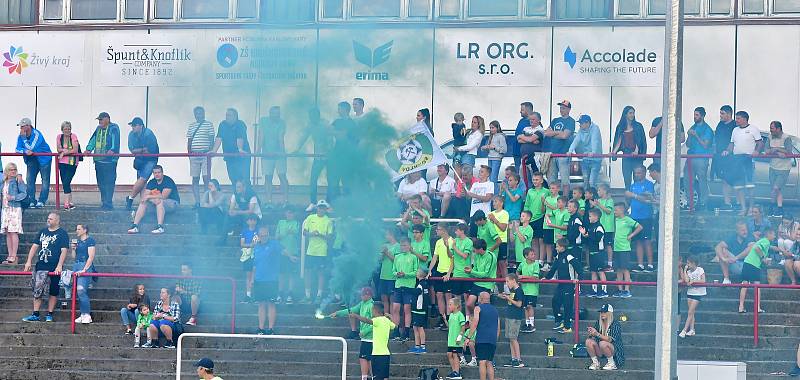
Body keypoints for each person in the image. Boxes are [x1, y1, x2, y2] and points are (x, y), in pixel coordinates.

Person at [21, 213, 68, 323]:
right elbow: (34, 246)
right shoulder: (42, 232)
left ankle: (49, 314)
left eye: (51, 219)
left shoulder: (62, 233)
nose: (48, 220)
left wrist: (60, 265)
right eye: (48, 218)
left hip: (54, 265)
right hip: (41, 265)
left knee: (53, 291)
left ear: (57, 221)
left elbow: (64, 250)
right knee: (38, 289)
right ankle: (35, 314)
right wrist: (28, 261)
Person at [721, 111, 763, 216]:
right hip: (736, 162)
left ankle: (751, 209)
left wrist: (757, 151)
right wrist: (727, 150)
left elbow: (760, 143)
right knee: (739, 186)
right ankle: (743, 208)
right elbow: (731, 144)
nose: (736, 120)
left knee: (750, 186)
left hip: (749, 161)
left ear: (744, 119)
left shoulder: (753, 129)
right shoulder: (735, 130)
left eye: (738, 118)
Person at [330, 287, 374, 380]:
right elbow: (351, 310)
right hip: (365, 338)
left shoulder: (372, 305)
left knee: (370, 359)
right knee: (363, 358)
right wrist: (338, 313)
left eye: (363, 294)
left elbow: (375, 323)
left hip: (371, 338)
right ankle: (364, 377)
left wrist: (364, 332)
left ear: (368, 295)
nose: (361, 296)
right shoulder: (362, 304)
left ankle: (374, 377)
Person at [295, 107, 333, 210]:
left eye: (313, 117)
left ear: (318, 116)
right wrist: (297, 149)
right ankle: (313, 202)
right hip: (318, 157)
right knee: (313, 179)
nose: (311, 119)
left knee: (331, 179)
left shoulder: (325, 124)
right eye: (310, 117)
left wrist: (328, 152)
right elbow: (304, 136)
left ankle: (329, 202)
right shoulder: (310, 125)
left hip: (328, 157)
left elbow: (330, 139)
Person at [127, 165, 179, 235]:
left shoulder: (168, 180)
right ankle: (135, 226)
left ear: (162, 173)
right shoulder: (151, 182)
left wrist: (149, 197)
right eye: (155, 173)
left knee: (159, 201)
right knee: (143, 202)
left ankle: (160, 227)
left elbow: (164, 196)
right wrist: (150, 198)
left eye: (159, 172)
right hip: (157, 202)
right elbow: (145, 197)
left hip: (172, 203)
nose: (157, 174)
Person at [351, 302, 395, 380]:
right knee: (385, 377)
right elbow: (394, 326)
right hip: (386, 354)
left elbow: (366, 320)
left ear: (375, 310)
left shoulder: (377, 320)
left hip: (378, 354)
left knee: (377, 377)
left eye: (372, 310)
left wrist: (356, 316)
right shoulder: (387, 321)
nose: (371, 312)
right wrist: (391, 317)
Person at [545, 238, 582, 334]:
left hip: (569, 285)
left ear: (562, 247)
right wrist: (546, 278)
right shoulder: (558, 256)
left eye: (557, 246)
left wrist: (578, 279)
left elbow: (579, 269)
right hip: (561, 284)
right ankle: (559, 320)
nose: (556, 248)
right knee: (555, 301)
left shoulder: (569, 256)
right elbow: (553, 269)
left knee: (567, 306)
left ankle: (567, 327)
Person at [86, 112, 121, 210]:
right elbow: (93, 139)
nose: (99, 122)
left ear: (107, 119)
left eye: (101, 120)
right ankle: (104, 202)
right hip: (98, 160)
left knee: (109, 182)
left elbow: (116, 140)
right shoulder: (98, 128)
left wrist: (113, 149)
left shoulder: (114, 127)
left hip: (110, 161)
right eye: (99, 120)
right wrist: (88, 149)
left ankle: (108, 203)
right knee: (101, 183)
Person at [15, 117, 52, 208]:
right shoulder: (21, 136)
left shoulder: (37, 134)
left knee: (45, 180)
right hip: (32, 159)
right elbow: (17, 149)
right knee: (29, 179)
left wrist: (24, 140)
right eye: (20, 126)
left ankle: (42, 201)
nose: (21, 128)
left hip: (44, 158)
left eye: (23, 126)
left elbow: (31, 147)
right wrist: (24, 151)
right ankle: (31, 200)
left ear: (29, 126)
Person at [125, 117, 160, 211]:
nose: (132, 127)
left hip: (150, 159)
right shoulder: (131, 134)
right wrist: (142, 150)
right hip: (140, 159)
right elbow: (132, 150)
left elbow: (150, 151)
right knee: (142, 182)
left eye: (134, 125)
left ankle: (130, 198)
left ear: (141, 126)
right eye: (132, 125)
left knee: (143, 179)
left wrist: (139, 151)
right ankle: (142, 204)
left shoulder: (149, 134)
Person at [625, 165, 656, 273]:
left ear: (644, 173)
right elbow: (629, 198)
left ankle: (650, 265)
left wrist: (633, 195)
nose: (637, 175)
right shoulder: (633, 185)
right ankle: (640, 265)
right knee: (638, 241)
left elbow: (648, 199)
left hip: (646, 216)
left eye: (639, 173)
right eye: (635, 173)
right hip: (634, 217)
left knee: (647, 241)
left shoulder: (649, 185)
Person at [302, 200, 333, 304]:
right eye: (320, 207)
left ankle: (319, 295)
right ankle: (307, 295)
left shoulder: (328, 220)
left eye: (323, 208)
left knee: (321, 273)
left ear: (325, 209)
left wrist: (320, 235)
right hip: (310, 251)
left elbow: (330, 236)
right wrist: (312, 233)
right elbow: (304, 232)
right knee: (308, 272)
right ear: (317, 208)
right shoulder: (310, 218)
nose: (321, 209)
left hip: (322, 252)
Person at [739, 227, 776, 314]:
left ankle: (741, 307)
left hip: (747, 262)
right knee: (757, 286)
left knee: (744, 285)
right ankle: (757, 307)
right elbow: (757, 248)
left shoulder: (762, 241)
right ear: (769, 234)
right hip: (754, 265)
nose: (775, 237)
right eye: (774, 235)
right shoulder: (766, 241)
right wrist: (763, 258)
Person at [253, 225, 282, 335]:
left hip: (271, 280)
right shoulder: (256, 247)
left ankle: (270, 329)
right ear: (259, 236)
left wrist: (291, 257)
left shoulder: (274, 244)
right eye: (261, 235)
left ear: (268, 235)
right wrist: (252, 280)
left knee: (271, 303)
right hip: (259, 279)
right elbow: (254, 265)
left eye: (265, 235)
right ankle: (260, 328)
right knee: (261, 304)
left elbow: (283, 251)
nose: (263, 237)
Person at [211, 108, 251, 186]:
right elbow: (219, 138)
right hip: (230, 156)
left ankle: (248, 196)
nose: (227, 117)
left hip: (242, 156)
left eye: (229, 115)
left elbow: (240, 138)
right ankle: (236, 196)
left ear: (235, 116)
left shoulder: (240, 124)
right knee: (233, 178)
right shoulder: (222, 124)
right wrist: (214, 150)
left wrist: (240, 149)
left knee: (244, 179)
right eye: (226, 115)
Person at [685, 107, 714, 210]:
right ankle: (690, 203)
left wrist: (696, 135)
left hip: (702, 158)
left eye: (697, 115)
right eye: (694, 115)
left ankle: (703, 203)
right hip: (690, 157)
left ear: (702, 116)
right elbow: (688, 144)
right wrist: (689, 135)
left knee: (702, 181)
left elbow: (705, 145)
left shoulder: (707, 129)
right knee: (688, 181)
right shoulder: (693, 126)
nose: (694, 117)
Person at [465, 292, 499, 380]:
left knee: (482, 362)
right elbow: (498, 326)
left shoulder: (478, 308)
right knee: (489, 362)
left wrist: (468, 337)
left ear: (481, 298)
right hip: (492, 339)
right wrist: (496, 338)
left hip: (482, 338)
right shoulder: (495, 310)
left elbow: (475, 322)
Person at [544, 100, 576, 194]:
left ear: (569, 109)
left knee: (565, 180)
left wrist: (553, 133)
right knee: (551, 180)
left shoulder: (571, 121)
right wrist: (558, 133)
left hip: (563, 154)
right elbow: (546, 133)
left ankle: (565, 200)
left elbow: (565, 136)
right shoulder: (555, 120)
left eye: (564, 108)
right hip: (552, 154)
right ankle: (553, 199)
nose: (561, 110)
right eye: (561, 108)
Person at [260, 106, 290, 205]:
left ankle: (285, 200)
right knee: (268, 177)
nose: (276, 115)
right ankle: (269, 201)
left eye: (278, 113)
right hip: (266, 154)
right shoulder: (263, 121)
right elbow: (261, 136)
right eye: (274, 113)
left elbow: (280, 138)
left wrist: (282, 152)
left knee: (282, 176)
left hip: (279, 154)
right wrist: (257, 150)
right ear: (270, 113)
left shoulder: (282, 122)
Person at [611, 106, 647, 189]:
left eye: (633, 113)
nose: (632, 115)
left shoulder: (638, 126)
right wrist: (614, 152)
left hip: (637, 156)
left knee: (637, 179)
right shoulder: (620, 126)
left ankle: (637, 198)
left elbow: (641, 140)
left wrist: (636, 151)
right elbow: (618, 140)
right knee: (627, 180)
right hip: (626, 155)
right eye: (630, 113)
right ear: (625, 114)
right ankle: (629, 200)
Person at [391, 237, 419, 342]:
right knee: (395, 308)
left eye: (405, 245)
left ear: (409, 246)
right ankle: (396, 330)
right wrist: (397, 274)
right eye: (402, 245)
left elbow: (416, 272)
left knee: (407, 309)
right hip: (398, 285)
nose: (403, 247)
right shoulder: (397, 257)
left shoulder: (413, 257)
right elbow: (393, 271)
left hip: (409, 286)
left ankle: (406, 331)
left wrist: (405, 274)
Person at [187, 106, 215, 209]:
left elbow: (212, 140)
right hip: (194, 155)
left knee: (206, 178)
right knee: (195, 178)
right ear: (195, 115)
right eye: (197, 113)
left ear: (204, 114)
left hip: (205, 155)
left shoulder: (209, 125)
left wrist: (210, 152)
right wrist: (189, 154)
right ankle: (198, 202)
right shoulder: (191, 126)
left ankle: (205, 201)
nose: (199, 115)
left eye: (201, 113)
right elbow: (189, 141)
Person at [328, 101, 357, 200]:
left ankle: (347, 203)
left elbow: (345, 137)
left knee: (346, 180)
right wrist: (339, 133)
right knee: (334, 179)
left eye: (339, 108)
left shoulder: (351, 123)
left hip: (347, 157)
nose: (338, 111)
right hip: (337, 155)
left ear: (345, 110)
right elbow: (329, 131)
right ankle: (334, 202)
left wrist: (337, 133)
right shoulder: (337, 121)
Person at [612, 202, 642, 298]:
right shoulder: (616, 219)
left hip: (624, 248)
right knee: (618, 269)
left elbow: (639, 227)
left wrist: (631, 235)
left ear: (622, 210)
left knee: (625, 269)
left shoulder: (627, 219)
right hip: (616, 248)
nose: (614, 212)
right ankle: (620, 289)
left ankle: (627, 290)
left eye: (616, 210)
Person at [428, 224, 453, 330]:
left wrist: (449, 273)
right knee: (439, 295)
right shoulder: (438, 242)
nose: (436, 231)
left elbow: (452, 258)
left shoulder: (452, 241)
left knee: (448, 296)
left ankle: (448, 317)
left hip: (448, 272)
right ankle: (442, 317)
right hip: (439, 270)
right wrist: (430, 270)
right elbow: (434, 257)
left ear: (444, 230)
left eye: (438, 229)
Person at [767, 120, 793, 217]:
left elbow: (789, 151)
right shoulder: (769, 137)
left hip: (784, 168)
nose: (771, 131)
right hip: (772, 166)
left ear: (778, 129)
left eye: (772, 129)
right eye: (770, 128)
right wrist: (777, 153)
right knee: (776, 189)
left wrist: (777, 149)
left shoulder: (786, 138)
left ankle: (773, 207)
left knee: (775, 188)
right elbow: (766, 150)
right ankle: (778, 208)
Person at [586, 303, 625, 370]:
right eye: (601, 312)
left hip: (614, 351)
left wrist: (597, 334)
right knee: (588, 341)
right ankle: (596, 363)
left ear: (609, 313)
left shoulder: (615, 324)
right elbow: (594, 337)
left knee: (603, 343)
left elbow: (610, 340)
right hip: (601, 350)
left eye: (604, 312)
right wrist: (591, 333)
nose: (602, 314)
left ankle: (612, 363)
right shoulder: (599, 322)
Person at [499, 273, 526, 368]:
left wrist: (508, 298)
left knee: (514, 338)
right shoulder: (513, 290)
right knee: (511, 338)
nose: (506, 284)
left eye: (507, 281)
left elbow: (519, 304)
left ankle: (519, 360)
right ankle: (513, 359)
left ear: (513, 280)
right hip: (510, 316)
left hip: (515, 317)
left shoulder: (519, 290)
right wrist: (505, 296)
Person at [1, 163, 26, 265]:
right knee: (8, 232)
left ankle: (14, 256)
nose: (13, 171)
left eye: (15, 169)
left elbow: (24, 193)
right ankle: (10, 255)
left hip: (14, 208)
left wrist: (13, 197)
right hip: (5, 209)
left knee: (13, 231)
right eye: (11, 169)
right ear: (7, 170)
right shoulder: (4, 182)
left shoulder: (18, 180)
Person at [569, 115, 603, 189]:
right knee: (585, 181)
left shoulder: (595, 128)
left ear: (587, 123)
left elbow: (595, 141)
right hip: (586, 158)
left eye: (581, 123)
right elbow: (576, 140)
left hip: (596, 159)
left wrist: (593, 152)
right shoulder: (580, 130)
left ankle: (593, 198)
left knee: (592, 182)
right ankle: (586, 199)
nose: (580, 125)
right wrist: (570, 151)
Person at [71, 224, 96, 324]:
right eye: (76, 229)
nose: (77, 231)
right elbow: (73, 257)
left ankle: (87, 314)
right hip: (76, 265)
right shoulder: (78, 242)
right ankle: (82, 314)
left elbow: (91, 256)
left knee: (81, 289)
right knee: (78, 291)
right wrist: (73, 249)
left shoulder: (90, 241)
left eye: (79, 229)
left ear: (85, 230)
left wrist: (85, 269)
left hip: (85, 265)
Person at [713, 105, 736, 209]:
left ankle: (734, 203)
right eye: (720, 113)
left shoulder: (735, 125)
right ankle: (727, 203)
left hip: (731, 158)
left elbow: (734, 141)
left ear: (729, 114)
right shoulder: (720, 125)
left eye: (722, 113)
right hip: (719, 157)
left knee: (731, 180)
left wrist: (728, 150)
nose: (720, 116)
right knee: (724, 180)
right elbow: (716, 139)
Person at [524, 172, 549, 266]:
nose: (535, 181)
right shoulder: (530, 191)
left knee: (541, 240)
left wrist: (543, 204)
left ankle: (541, 260)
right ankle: (536, 259)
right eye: (533, 180)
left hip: (541, 217)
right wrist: (526, 217)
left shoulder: (546, 191)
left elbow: (545, 207)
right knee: (534, 240)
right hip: (531, 218)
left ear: (542, 180)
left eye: (537, 179)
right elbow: (527, 204)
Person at [679, 255, 706, 338]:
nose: (687, 265)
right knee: (692, 312)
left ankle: (684, 330)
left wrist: (693, 281)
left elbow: (703, 280)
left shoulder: (700, 269)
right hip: (690, 293)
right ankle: (692, 330)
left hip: (698, 293)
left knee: (690, 312)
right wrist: (684, 270)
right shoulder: (688, 271)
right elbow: (687, 281)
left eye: (688, 263)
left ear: (693, 263)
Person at [276, 208, 300, 303]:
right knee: (281, 274)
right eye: (288, 212)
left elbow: (295, 232)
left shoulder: (297, 223)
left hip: (293, 252)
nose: (290, 214)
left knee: (291, 274)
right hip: (281, 252)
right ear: (285, 213)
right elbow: (277, 237)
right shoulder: (280, 222)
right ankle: (280, 293)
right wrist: (285, 233)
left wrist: (284, 233)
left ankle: (290, 293)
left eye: (292, 213)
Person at [584, 208, 608, 298]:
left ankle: (604, 290)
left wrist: (588, 235)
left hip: (599, 253)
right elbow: (590, 239)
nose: (589, 218)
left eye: (590, 216)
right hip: (592, 253)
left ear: (596, 217)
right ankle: (594, 290)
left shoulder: (599, 227)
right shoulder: (590, 227)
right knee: (593, 271)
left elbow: (597, 239)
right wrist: (585, 235)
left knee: (600, 271)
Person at [56, 121, 80, 210]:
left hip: (72, 162)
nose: (67, 130)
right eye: (65, 129)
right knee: (65, 182)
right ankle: (70, 202)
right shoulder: (59, 137)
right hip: (62, 162)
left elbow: (75, 149)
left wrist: (64, 152)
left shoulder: (73, 136)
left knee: (66, 181)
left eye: (69, 128)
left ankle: (66, 203)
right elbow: (58, 148)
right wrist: (63, 151)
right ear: (62, 129)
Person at [502, 173, 525, 262]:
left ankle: (515, 260)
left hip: (515, 218)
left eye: (511, 180)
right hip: (505, 218)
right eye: (508, 180)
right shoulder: (506, 191)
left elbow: (514, 199)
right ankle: (507, 260)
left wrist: (507, 190)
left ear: (516, 181)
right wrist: (501, 191)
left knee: (514, 240)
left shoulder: (519, 191)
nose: (509, 182)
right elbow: (501, 201)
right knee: (506, 240)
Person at [516, 247, 540, 333]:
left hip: (532, 290)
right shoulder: (522, 264)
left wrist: (522, 276)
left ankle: (532, 325)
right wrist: (518, 277)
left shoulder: (536, 264)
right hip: (524, 289)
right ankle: (527, 324)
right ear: (526, 256)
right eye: (532, 254)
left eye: (534, 254)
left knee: (530, 306)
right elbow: (517, 271)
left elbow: (535, 277)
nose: (534, 256)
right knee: (525, 307)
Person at [518, 112, 545, 181]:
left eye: (533, 119)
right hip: (524, 158)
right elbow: (519, 140)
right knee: (523, 178)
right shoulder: (526, 128)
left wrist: (524, 137)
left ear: (539, 120)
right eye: (530, 119)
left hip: (535, 158)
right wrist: (530, 140)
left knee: (536, 178)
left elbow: (530, 139)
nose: (531, 121)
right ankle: (527, 192)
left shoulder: (540, 130)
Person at [408, 268, 430, 354]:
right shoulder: (424, 284)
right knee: (415, 327)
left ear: (421, 274)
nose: (416, 273)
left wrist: (406, 289)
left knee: (420, 328)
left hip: (419, 309)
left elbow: (417, 292)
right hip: (417, 309)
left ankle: (423, 347)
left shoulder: (421, 284)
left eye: (417, 271)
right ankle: (417, 346)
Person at [488, 196, 509, 279]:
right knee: (494, 263)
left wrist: (494, 219)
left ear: (501, 203)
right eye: (493, 202)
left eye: (496, 201)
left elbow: (503, 228)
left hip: (502, 241)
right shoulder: (490, 214)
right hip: (492, 241)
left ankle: (506, 284)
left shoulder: (505, 213)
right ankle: (495, 285)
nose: (494, 203)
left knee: (502, 263)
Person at [445, 297, 467, 380]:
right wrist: (445, 319)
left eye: (450, 304)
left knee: (455, 354)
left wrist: (460, 336)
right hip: (451, 339)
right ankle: (454, 370)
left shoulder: (460, 315)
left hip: (457, 340)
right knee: (449, 354)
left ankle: (457, 372)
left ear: (456, 305)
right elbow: (449, 326)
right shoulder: (451, 315)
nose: (449, 306)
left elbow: (463, 326)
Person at [240, 214, 259, 302]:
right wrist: (250, 245)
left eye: (254, 220)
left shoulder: (258, 230)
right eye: (250, 220)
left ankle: (256, 295)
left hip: (257, 255)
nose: (252, 222)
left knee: (256, 275)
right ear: (247, 221)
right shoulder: (244, 231)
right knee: (248, 275)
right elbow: (242, 244)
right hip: (247, 255)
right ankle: (248, 295)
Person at [513, 102, 534, 169]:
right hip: (517, 153)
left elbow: (535, 138)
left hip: (526, 154)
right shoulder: (521, 120)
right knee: (517, 175)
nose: (520, 111)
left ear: (528, 110)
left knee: (526, 175)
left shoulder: (534, 122)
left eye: (522, 110)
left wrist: (522, 139)